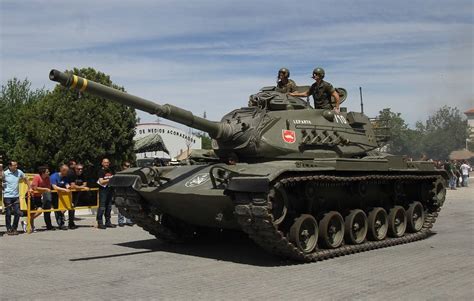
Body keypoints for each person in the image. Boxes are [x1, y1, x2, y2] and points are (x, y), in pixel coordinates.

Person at [3, 161, 31, 235]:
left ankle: (14, 228)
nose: (16, 166)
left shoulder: (19, 172)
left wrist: (29, 188)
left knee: (17, 212)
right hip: (7, 196)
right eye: (14, 165)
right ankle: (9, 229)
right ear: (10, 166)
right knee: (8, 213)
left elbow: (26, 179)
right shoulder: (5, 173)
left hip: (16, 196)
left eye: (16, 165)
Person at [29, 166, 54, 231]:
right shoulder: (37, 177)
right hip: (31, 196)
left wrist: (45, 190)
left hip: (38, 196)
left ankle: (26, 222)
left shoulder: (47, 178)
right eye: (47, 172)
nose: (49, 173)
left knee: (39, 210)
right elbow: (35, 188)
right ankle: (31, 227)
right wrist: (44, 189)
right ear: (43, 173)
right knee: (32, 212)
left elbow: (48, 188)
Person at [50, 164, 71, 230]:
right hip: (54, 195)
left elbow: (66, 184)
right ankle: (61, 224)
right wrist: (65, 189)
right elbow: (54, 187)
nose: (68, 172)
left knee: (67, 207)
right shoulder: (54, 176)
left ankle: (61, 218)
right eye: (67, 171)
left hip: (63, 195)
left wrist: (69, 187)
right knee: (57, 209)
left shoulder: (65, 177)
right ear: (62, 171)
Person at [69, 163, 90, 229]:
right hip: (70, 193)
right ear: (75, 169)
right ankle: (61, 222)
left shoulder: (83, 175)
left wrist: (79, 187)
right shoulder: (72, 175)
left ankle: (71, 223)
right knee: (66, 208)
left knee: (72, 208)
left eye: (81, 169)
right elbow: (72, 186)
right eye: (78, 169)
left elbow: (85, 184)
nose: (80, 170)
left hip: (77, 193)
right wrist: (82, 188)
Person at [97, 158, 116, 229]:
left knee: (109, 207)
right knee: (102, 207)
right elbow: (101, 181)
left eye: (107, 162)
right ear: (102, 163)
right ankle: (100, 223)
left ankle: (108, 222)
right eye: (105, 163)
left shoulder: (110, 171)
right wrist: (110, 179)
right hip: (103, 191)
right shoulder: (101, 171)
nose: (106, 164)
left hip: (110, 189)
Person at [117, 161, 134, 227]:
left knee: (129, 206)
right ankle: (121, 221)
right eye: (126, 166)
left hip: (129, 191)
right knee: (121, 207)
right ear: (123, 166)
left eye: (129, 166)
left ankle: (129, 220)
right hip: (120, 192)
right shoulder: (119, 174)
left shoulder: (131, 174)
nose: (128, 167)